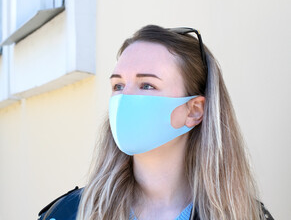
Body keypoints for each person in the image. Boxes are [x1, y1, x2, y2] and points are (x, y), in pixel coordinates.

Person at [38, 25, 274, 220]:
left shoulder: (246, 215)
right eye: (118, 86)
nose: (124, 98)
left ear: (194, 110)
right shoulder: (68, 214)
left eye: (147, 85)